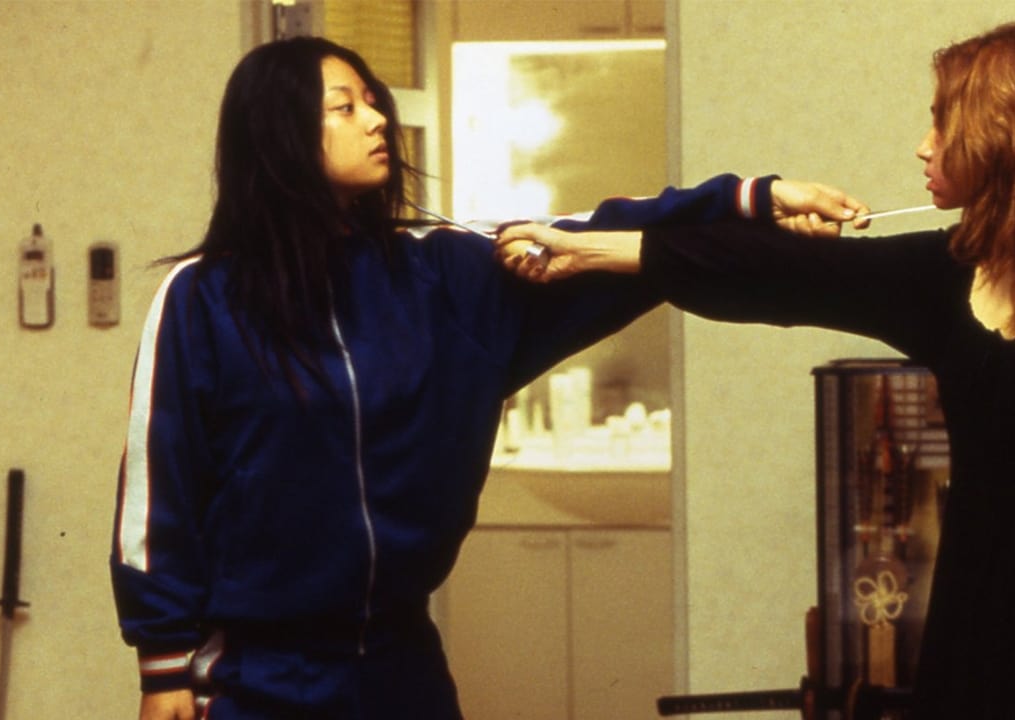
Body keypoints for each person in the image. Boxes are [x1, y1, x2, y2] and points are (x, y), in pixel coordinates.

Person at [496, 22, 1015, 720]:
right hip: (968, 639)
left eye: (942, 124)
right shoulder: (946, 277)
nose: (923, 147)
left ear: (1005, 137)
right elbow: (768, 273)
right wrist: (586, 248)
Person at [107, 36, 860, 720]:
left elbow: (590, 237)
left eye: (374, 101)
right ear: (278, 132)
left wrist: (755, 202)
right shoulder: (202, 298)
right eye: (345, 107)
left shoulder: (438, 272)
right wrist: (162, 663)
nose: (377, 120)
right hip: (255, 679)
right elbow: (160, 486)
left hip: (402, 666)